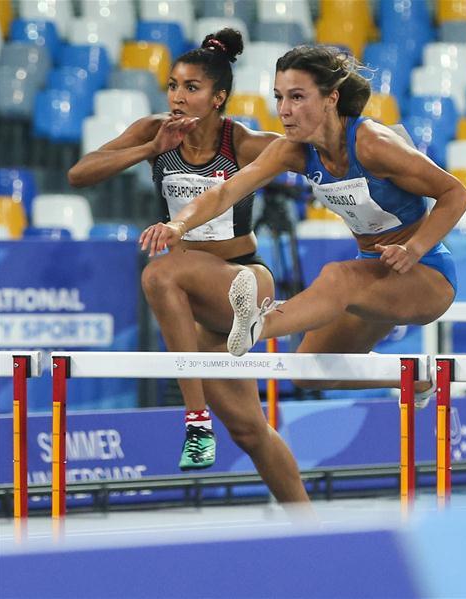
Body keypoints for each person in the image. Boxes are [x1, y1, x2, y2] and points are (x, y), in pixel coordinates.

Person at [139, 45, 466, 399]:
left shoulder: (373, 144)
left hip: (426, 275)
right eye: (279, 97)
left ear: (331, 98)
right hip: (374, 276)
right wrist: (179, 226)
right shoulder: (293, 150)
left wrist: (413, 248)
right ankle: (417, 379)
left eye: (297, 97)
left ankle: (257, 325)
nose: (284, 111)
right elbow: (224, 193)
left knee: (336, 276)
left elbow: (456, 194)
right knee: (309, 370)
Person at [69, 29, 311, 505]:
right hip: (201, 310)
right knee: (249, 430)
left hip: (243, 278)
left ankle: (195, 422)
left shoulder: (241, 142)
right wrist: (148, 149)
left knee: (160, 271)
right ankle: (311, 526)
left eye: (191, 88)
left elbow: (316, 157)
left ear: (219, 97)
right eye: (173, 86)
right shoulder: (153, 130)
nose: (178, 97)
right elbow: (80, 174)